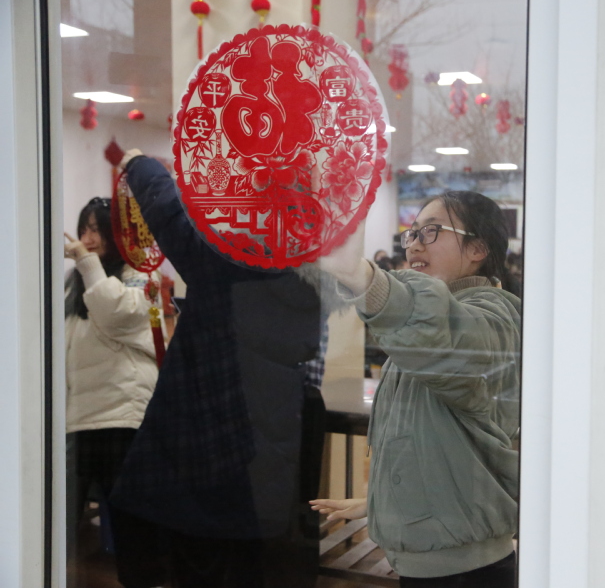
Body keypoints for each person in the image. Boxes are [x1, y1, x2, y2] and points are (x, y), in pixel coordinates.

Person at [110, 151, 331, 587]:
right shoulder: (307, 274)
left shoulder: (233, 261)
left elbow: (172, 218)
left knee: (200, 560)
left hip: (211, 447)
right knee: (245, 561)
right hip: (267, 452)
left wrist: (140, 164)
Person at [311, 191, 520, 587]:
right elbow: (437, 443)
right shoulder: (426, 330)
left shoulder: (496, 319)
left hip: (465, 572)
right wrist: (379, 503)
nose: (414, 244)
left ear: (478, 249)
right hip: (436, 559)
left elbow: (448, 337)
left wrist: (363, 277)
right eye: (412, 233)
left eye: (431, 231)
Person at [64, 197, 166, 588]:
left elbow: (117, 313)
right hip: (80, 417)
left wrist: (86, 264)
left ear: (117, 233)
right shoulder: (76, 283)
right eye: (84, 228)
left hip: (123, 415)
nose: (88, 238)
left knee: (131, 522)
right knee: (61, 517)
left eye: (97, 229)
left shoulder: (144, 277)